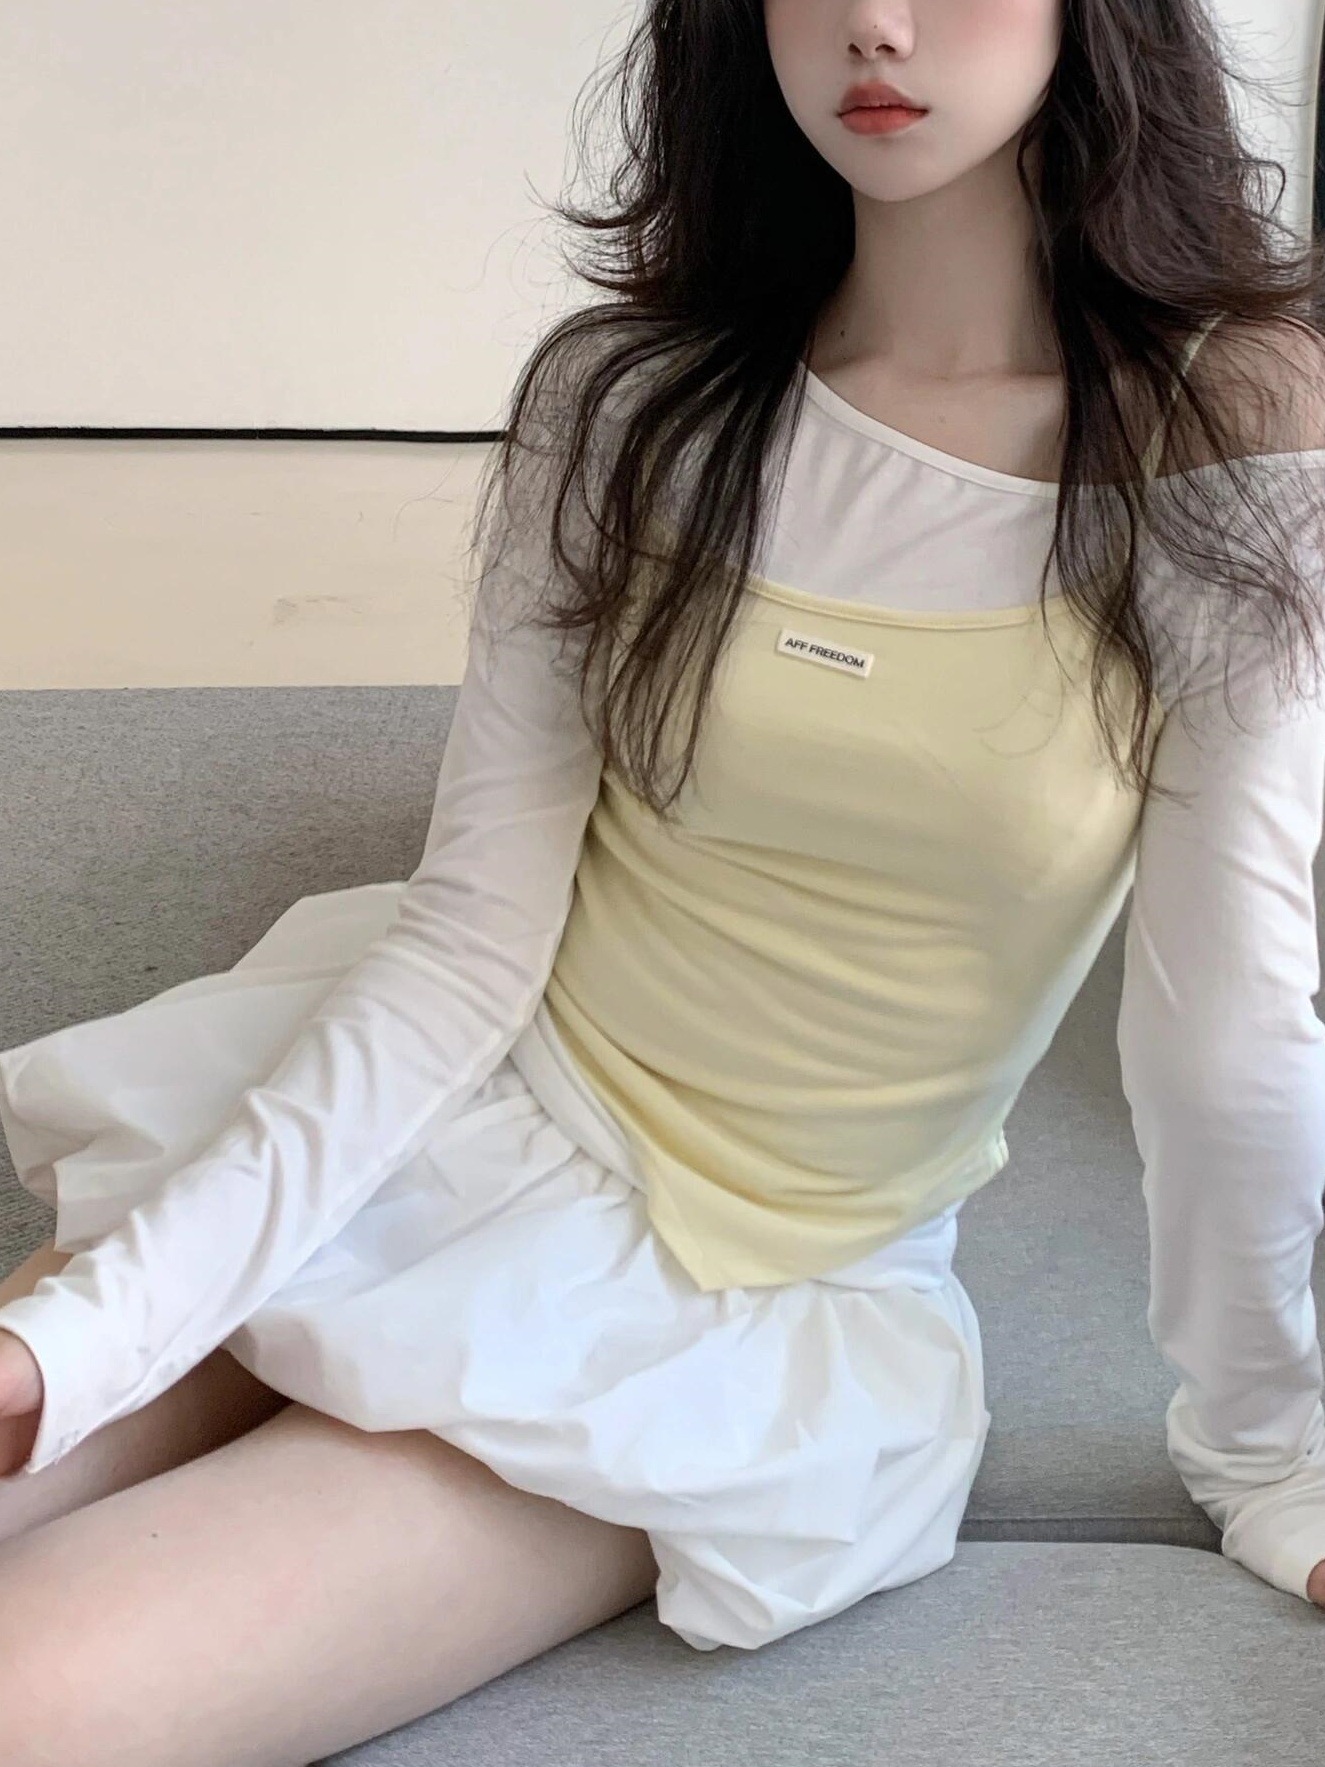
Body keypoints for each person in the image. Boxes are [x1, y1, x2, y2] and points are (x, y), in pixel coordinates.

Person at [4, 0, 1325, 1759]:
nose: (873, 23)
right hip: (407, 1125)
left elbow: (1224, 1021)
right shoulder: (631, 397)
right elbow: (463, 945)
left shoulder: (1227, 425)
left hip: (720, 1302)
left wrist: (1264, 1450)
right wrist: (79, 1347)